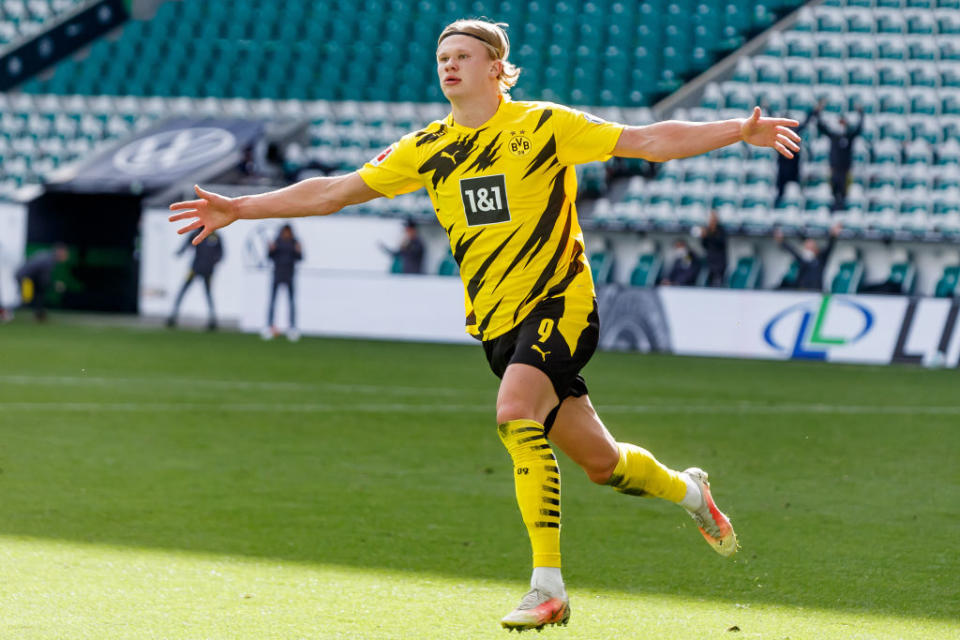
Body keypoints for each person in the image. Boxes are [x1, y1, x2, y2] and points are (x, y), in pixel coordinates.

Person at [169, 18, 802, 632]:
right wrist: (241, 207)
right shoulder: (425, 148)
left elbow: (647, 141)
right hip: (499, 327)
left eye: (462, 56)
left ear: (497, 68)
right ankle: (693, 493)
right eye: (442, 57)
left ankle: (547, 589)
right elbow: (334, 191)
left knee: (513, 414)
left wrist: (734, 131)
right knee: (603, 465)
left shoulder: (544, 125)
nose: (448, 65)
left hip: (561, 303)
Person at [166, 229, 223, 330]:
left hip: (208, 270)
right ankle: (172, 316)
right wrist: (180, 252)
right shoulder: (196, 233)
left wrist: (214, 261)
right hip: (195, 268)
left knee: (208, 294)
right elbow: (187, 244)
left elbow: (221, 253)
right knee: (183, 291)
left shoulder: (215, 235)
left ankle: (213, 320)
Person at [815, 104, 864, 211]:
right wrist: (818, 114)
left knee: (844, 194)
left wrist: (861, 114)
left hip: (845, 171)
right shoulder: (834, 136)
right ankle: (834, 209)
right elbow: (821, 127)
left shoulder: (849, 136)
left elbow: (859, 129)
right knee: (833, 193)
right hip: (834, 170)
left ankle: (843, 210)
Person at [774, 222, 842, 291]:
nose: (808, 250)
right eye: (807, 247)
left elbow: (830, 247)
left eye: (811, 247)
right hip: (802, 291)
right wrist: (782, 241)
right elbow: (792, 251)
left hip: (816, 291)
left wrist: (833, 235)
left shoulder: (821, 259)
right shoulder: (803, 260)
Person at [264, 224, 303, 341]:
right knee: (272, 301)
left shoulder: (294, 242)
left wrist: (298, 250)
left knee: (291, 302)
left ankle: (292, 327)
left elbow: (299, 258)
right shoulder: (277, 241)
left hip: (290, 274)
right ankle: (270, 326)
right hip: (277, 273)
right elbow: (270, 257)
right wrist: (271, 249)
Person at [774, 107, 817, 207]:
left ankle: (802, 206)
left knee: (798, 188)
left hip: (793, 166)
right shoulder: (779, 134)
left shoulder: (794, 132)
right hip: (783, 167)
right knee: (780, 192)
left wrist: (814, 111)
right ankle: (776, 207)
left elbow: (806, 122)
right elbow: (771, 123)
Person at [14, 244, 69, 322]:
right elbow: (44, 279)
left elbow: (41, 278)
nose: (66, 256)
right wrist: (54, 285)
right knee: (27, 299)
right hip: (25, 277)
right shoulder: (49, 260)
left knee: (38, 293)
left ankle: (39, 314)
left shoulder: (47, 255)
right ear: (60, 252)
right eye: (65, 253)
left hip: (27, 277)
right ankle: (9, 313)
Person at [695, 209, 728, 286]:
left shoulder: (721, 230)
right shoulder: (708, 230)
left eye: (713, 218)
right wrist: (703, 236)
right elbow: (704, 245)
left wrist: (709, 235)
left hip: (719, 263)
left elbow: (720, 243)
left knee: (718, 283)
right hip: (710, 261)